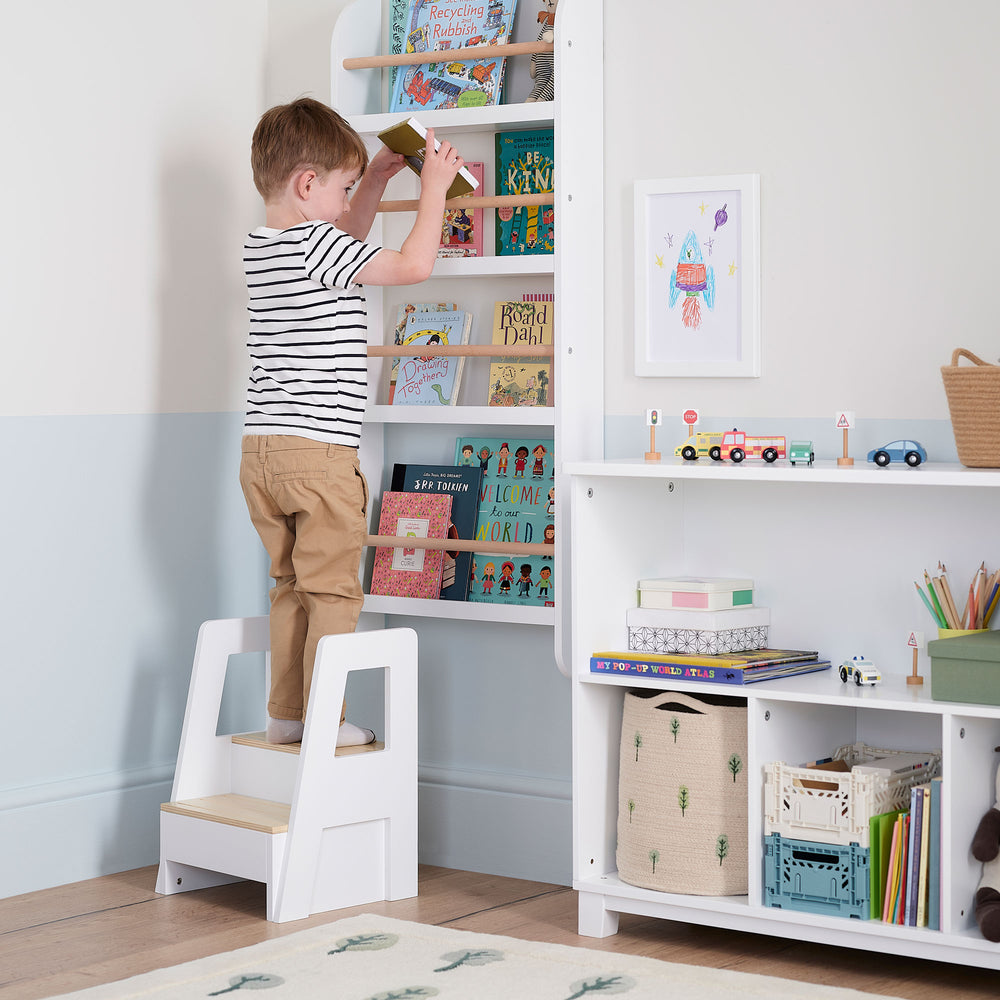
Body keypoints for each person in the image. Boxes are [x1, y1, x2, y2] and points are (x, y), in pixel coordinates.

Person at [239, 97, 465, 744]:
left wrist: (370, 182)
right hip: (320, 456)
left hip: (263, 454)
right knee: (334, 592)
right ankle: (324, 722)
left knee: (291, 586)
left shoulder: (268, 251)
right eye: (339, 189)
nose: (344, 207)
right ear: (307, 186)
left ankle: (285, 718)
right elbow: (411, 266)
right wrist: (434, 191)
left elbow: (344, 244)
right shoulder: (317, 243)